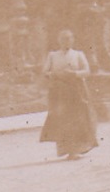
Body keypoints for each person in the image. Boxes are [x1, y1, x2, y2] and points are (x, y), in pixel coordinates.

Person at [41, 30, 98, 159]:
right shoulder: (53, 55)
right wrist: (55, 74)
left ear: (73, 40)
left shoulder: (78, 55)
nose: (66, 41)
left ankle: (77, 149)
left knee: (78, 118)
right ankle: (66, 150)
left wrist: (74, 74)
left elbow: (87, 71)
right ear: (59, 40)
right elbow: (45, 72)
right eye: (63, 39)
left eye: (69, 39)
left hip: (76, 90)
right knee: (62, 120)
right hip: (59, 91)